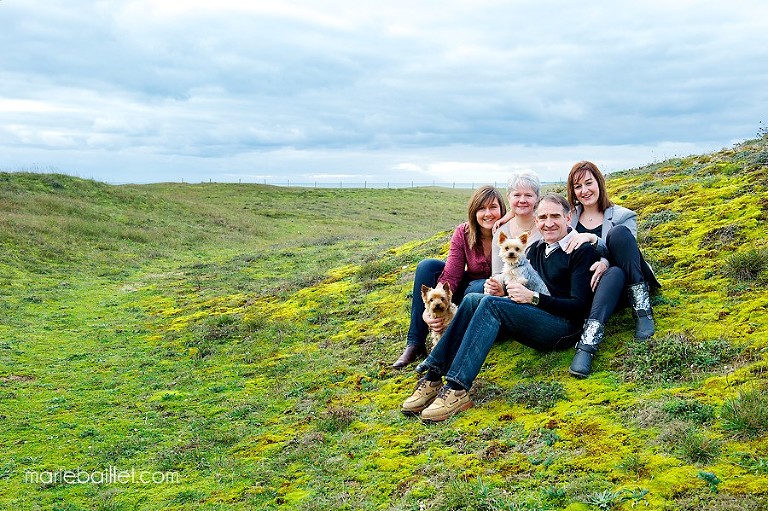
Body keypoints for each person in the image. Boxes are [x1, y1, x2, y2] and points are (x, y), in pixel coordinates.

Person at [401, 193, 597, 422]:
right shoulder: (533, 251)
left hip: (563, 327)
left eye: (555, 216)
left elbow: (580, 307)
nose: (549, 222)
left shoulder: (581, 249)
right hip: (536, 317)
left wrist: (534, 298)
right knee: (475, 297)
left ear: (569, 217)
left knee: (491, 305)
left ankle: (456, 388)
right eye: (542, 217)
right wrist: (502, 291)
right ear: (536, 221)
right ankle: (433, 377)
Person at [563, 161, 660, 378]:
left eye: (589, 183)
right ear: (573, 191)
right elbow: (540, 213)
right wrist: (508, 216)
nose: (584, 190)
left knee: (618, 240)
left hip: (624, 283)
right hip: (589, 286)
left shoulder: (623, 215)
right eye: (578, 186)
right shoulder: (569, 216)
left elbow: (628, 254)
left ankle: (642, 310)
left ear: (599, 182)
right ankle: (587, 343)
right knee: (611, 273)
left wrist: (598, 249)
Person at [392, 185, 506, 368]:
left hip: (489, 294)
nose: (488, 213)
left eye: (493, 207)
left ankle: (448, 343)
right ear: (473, 211)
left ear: (502, 209)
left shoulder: (509, 233)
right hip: (464, 288)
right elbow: (451, 276)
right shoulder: (464, 232)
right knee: (427, 266)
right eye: (481, 208)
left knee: (480, 287)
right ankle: (415, 343)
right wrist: (426, 311)